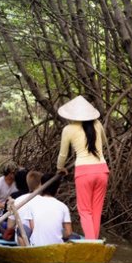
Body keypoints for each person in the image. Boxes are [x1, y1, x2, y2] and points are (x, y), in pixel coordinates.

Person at [55, 95, 109, 240]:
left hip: (84, 173)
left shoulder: (68, 129)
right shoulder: (97, 124)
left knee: (85, 211)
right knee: (96, 211)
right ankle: (95, 242)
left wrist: (60, 167)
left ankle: (91, 243)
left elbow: (62, 155)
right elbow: (104, 142)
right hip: (102, 170)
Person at [18, 172, 73, 246]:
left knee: (22, 228)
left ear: (41, 186)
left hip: (36, 245)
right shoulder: (63, 207)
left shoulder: (32, 203)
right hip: (57, 247)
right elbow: (68, 233)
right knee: (75, 236)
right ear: (57, 189)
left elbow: (33, 228)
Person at [5, 169, 41, 243]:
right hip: (42, 239)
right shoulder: (48, 201)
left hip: (23, 239)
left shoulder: (17, 200)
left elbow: (10, 227)